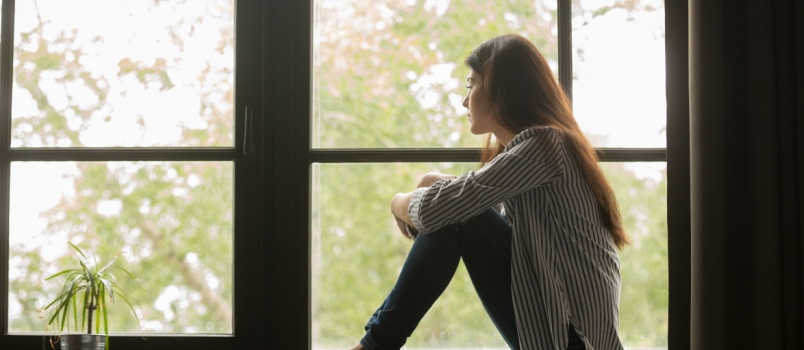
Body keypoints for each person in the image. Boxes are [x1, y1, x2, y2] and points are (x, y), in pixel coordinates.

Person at [351, 33, 628, 350]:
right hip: (556, 331)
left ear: (501, 88)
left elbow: (442, 212)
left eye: (471, 85)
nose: (465, 100)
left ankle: (374, 346)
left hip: (574, 340)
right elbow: (480, 217)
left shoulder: (546, 144)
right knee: (458, 212)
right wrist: (435, 181)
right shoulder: (536, 152)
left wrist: (397, 202)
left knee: (459, 216)